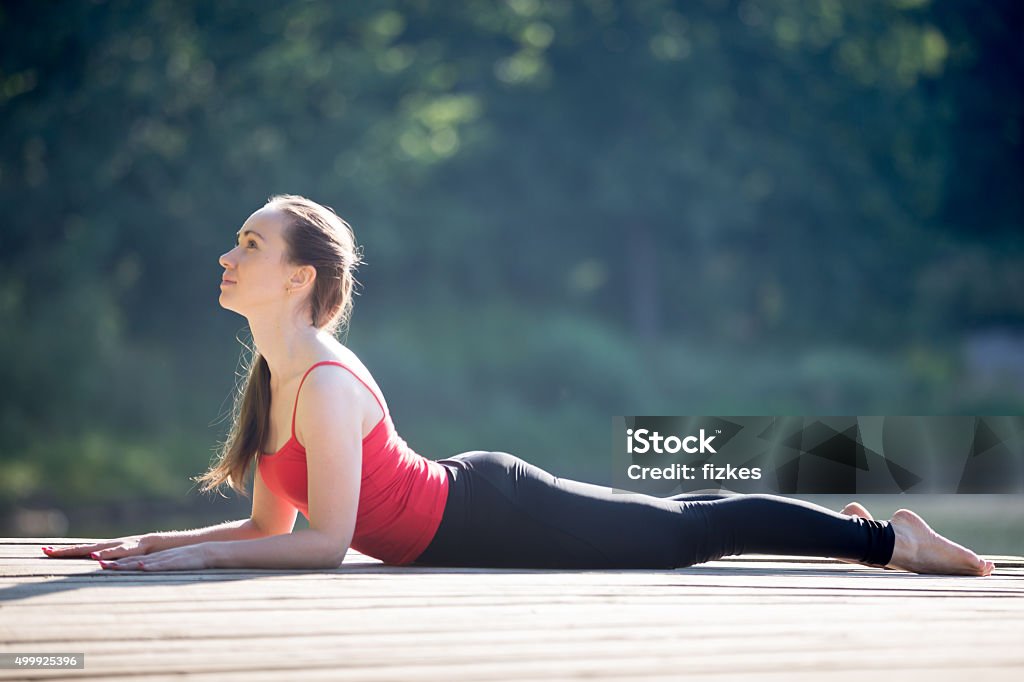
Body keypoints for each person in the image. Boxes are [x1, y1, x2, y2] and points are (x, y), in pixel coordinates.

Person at [42, 195, 995, 577]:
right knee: (678, 513)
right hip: (477, 505)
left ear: (297, 279)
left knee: (694, 535)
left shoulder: (324, 386)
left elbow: (329, 545)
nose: (227, 252)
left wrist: (184, 567)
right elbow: (269, 528)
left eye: (248, 243)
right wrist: (153, 541)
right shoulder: (275, 372)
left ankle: (888, 541)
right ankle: (885, 532)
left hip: (490, 508)